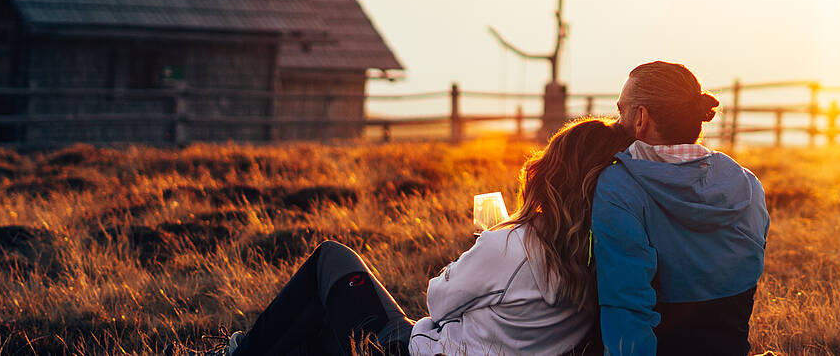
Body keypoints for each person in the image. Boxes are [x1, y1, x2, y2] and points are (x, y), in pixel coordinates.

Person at [225, 119, 634, 356]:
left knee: (332, 259)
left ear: (552, 171)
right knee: (328, 331)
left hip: (414, 351)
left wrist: (482, 245)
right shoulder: (604, 256)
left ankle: (242, 351)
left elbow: (436, 301)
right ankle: (247, 348)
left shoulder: (512, 246)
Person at [593, 61, 770, 356]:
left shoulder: (619, 187)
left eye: (621, 110)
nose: (616, 120)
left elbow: (626, 306)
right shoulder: (748, 184)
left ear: (640, 118)